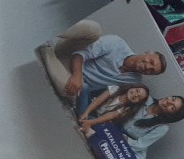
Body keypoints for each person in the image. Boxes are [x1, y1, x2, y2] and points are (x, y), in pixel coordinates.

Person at [36, 20, 167, 100]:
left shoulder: (134, 81)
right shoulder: (117, 43)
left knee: (69, 92)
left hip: (72, 81)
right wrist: (77, 75)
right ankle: (49, 27)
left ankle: (46, 49)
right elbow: (80, 54)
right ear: (147, 52)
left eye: (151, 71)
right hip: (69, 56)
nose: (147, 67)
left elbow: (110, 95)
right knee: (94, 29)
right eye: (151, 62)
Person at [76, 83, 150, 135]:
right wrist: (86, 112)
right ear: (132, 87)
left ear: (138, 102)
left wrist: (91, 122)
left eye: (139, 98)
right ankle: (83, 119)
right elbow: (98, 101)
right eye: (137, 90)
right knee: (85, 87)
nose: (135, 95)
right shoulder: (116, 89)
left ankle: (84, 121)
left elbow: (110, 115)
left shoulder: (127, 109)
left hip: (97, 119)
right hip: (90, 107)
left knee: (98, 127)